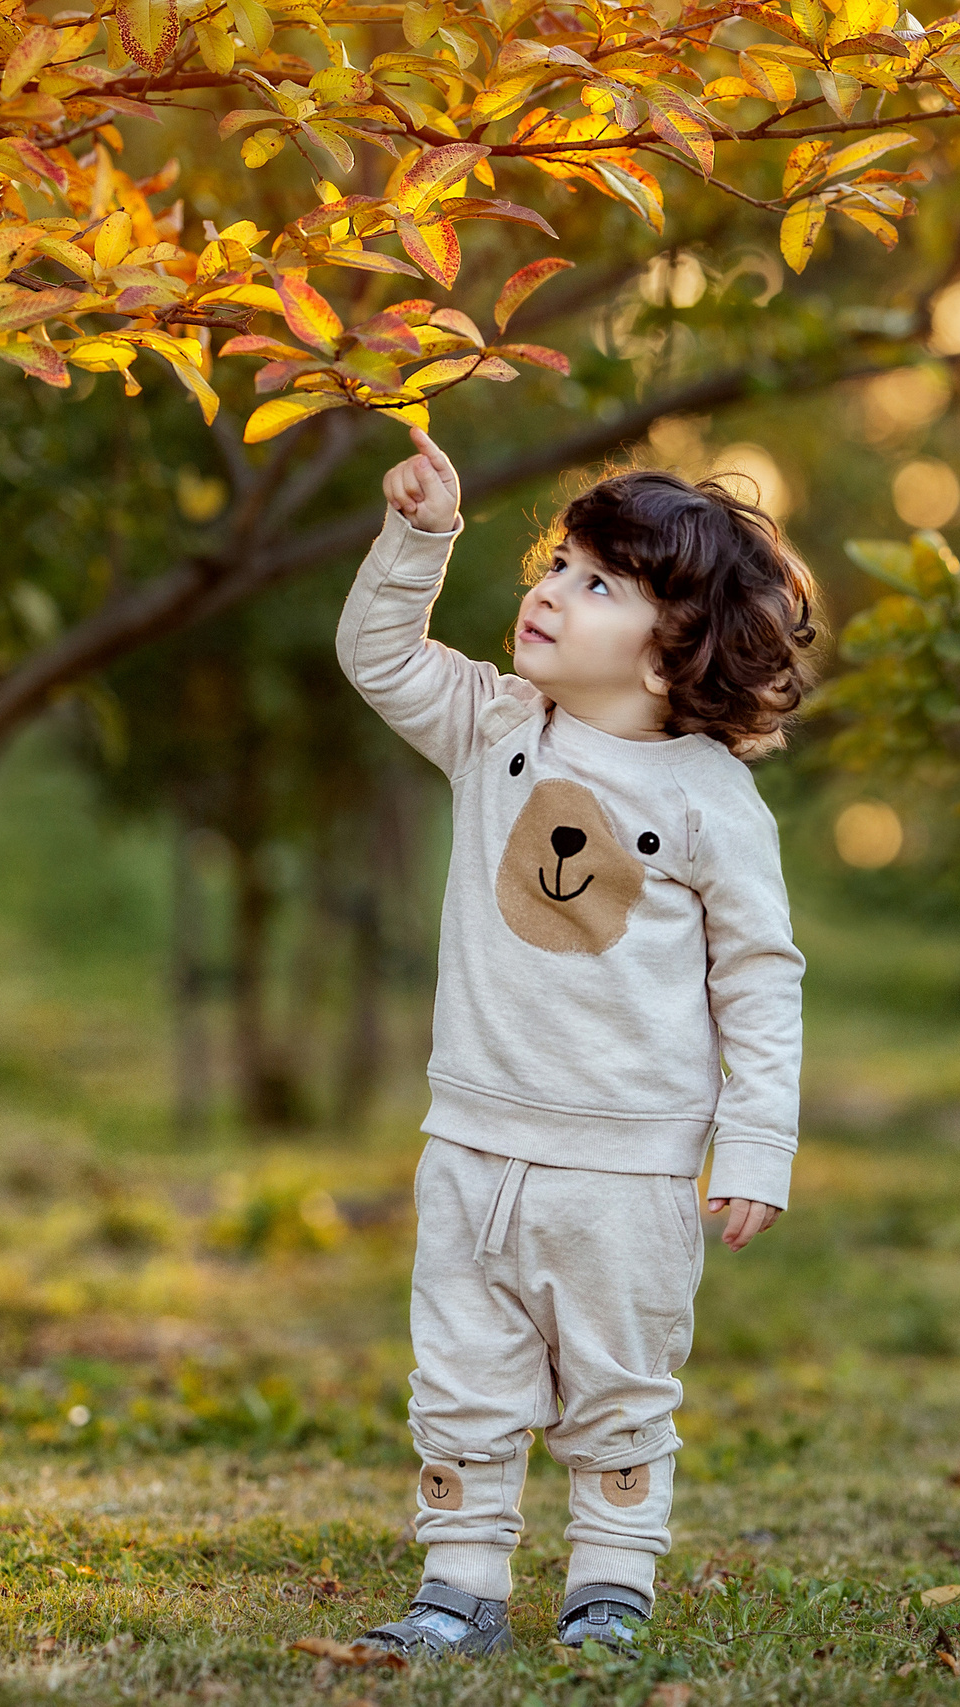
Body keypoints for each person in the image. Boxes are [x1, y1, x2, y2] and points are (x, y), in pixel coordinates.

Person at [332, 427, 813, 1657]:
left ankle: (608, 1587)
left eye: (599, 583)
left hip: (627, 1172)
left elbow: (757, 976)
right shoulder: (496, 722)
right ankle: (462, 1586)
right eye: (556, 564)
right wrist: (420, 536)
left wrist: (753, 1144)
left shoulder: (710, 797)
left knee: (617, 1388)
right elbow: (376, 655)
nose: (549, 591)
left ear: (671, 658)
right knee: (463, 1376)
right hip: (473, 1142)